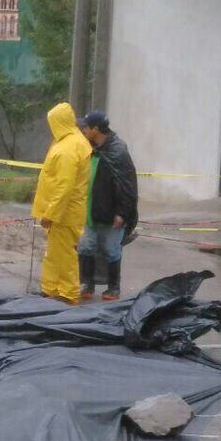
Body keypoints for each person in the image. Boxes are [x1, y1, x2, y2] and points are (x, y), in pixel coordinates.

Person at [32, 102, 93, 304]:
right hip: (65, 211)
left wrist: (50, 213)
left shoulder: (68, 147)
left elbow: (64, 187)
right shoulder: (72, 141)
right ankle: (50, 289)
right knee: (55, 254)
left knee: (65, 255)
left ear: (58, 122)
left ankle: (67, 293)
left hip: (64, 213)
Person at [77, 111, 138, 301]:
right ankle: (88, 283)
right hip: (90, 212)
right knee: (86, 247)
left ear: (96, 129)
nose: (83, 130)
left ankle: (113, 287)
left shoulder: (117, 151)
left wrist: (122, 213)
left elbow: (128, 186)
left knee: (111, 250)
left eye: (86, 127)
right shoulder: (91, 148)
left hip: (112, 214)